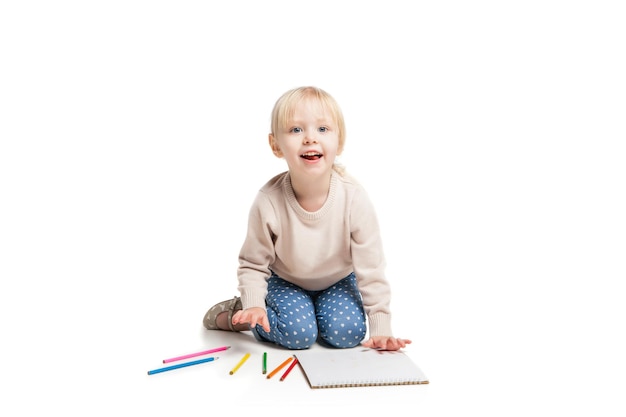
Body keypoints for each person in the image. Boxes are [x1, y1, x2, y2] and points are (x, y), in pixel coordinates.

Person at [202, 86, 411, 351]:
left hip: (337, 281)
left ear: (340, 141)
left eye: (323, 129)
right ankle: (244, 311)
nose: (310, 138)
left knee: (347, 334)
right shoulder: (269, 200)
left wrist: (382, 328)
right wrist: (255, 302)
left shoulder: (354, 198)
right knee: (298, 336)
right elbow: (254, 264)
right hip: (286, 282)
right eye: (296, 130)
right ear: (275, 145)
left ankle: (311, 312)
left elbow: (371, 268)